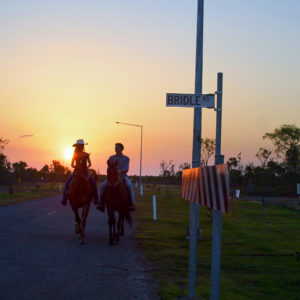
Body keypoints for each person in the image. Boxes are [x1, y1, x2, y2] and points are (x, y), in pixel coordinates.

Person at [97, 143, 135, 212]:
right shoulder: (111, 158)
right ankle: (101, 203)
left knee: (129, 186)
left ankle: (131, 203)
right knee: (102, 186)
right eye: (115, 148)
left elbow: (126, 169)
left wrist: (119, 171)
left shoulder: (126, 158)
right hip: (112, 177)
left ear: (121, 149)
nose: (116, 149)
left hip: (122, 176)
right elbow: (108, 168)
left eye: (117, 148)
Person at [61, 139, 98, 206]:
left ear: (83, 146)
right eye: (79, 146)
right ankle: (64, 198)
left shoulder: (86, 154)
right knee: (67, 182)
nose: (80, 147)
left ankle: (96, 198)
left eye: (81, 146)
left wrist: (86, 167)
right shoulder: (75, 154)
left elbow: (90, 164)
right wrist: (75, 167)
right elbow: (72, 164)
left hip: (85, 171)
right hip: (76, 171)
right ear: (77, 146)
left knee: (93, 182)